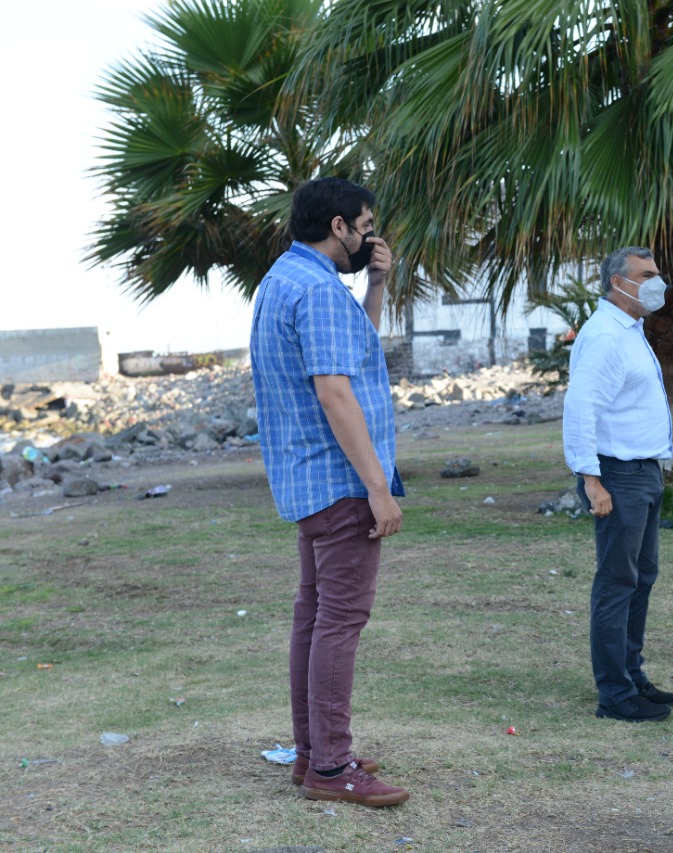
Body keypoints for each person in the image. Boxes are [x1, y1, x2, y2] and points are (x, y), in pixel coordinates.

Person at [250, 177, 409, 807]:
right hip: (339, 481)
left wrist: (375, 287)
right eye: (365, 223)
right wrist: (379, 488)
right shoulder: (316, 289)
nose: (372, 234)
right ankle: (331, 767)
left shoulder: (284, 280)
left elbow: (351, 353)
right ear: (338, 226)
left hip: (307, 477)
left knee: (314, 618)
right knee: (339, 622)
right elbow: (335, 391)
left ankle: (313, 753)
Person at [562, 246, 673, 723]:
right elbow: (581, 409)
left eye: (657, 273)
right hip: (618, 475)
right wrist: (591, 480)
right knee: (617, 582)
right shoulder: (605, 335)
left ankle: (632, 675)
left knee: (641, 578)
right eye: (646, 275)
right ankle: (614, 693)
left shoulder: (631, 330)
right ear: (617, 282)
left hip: (644, 471)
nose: (658, 283)